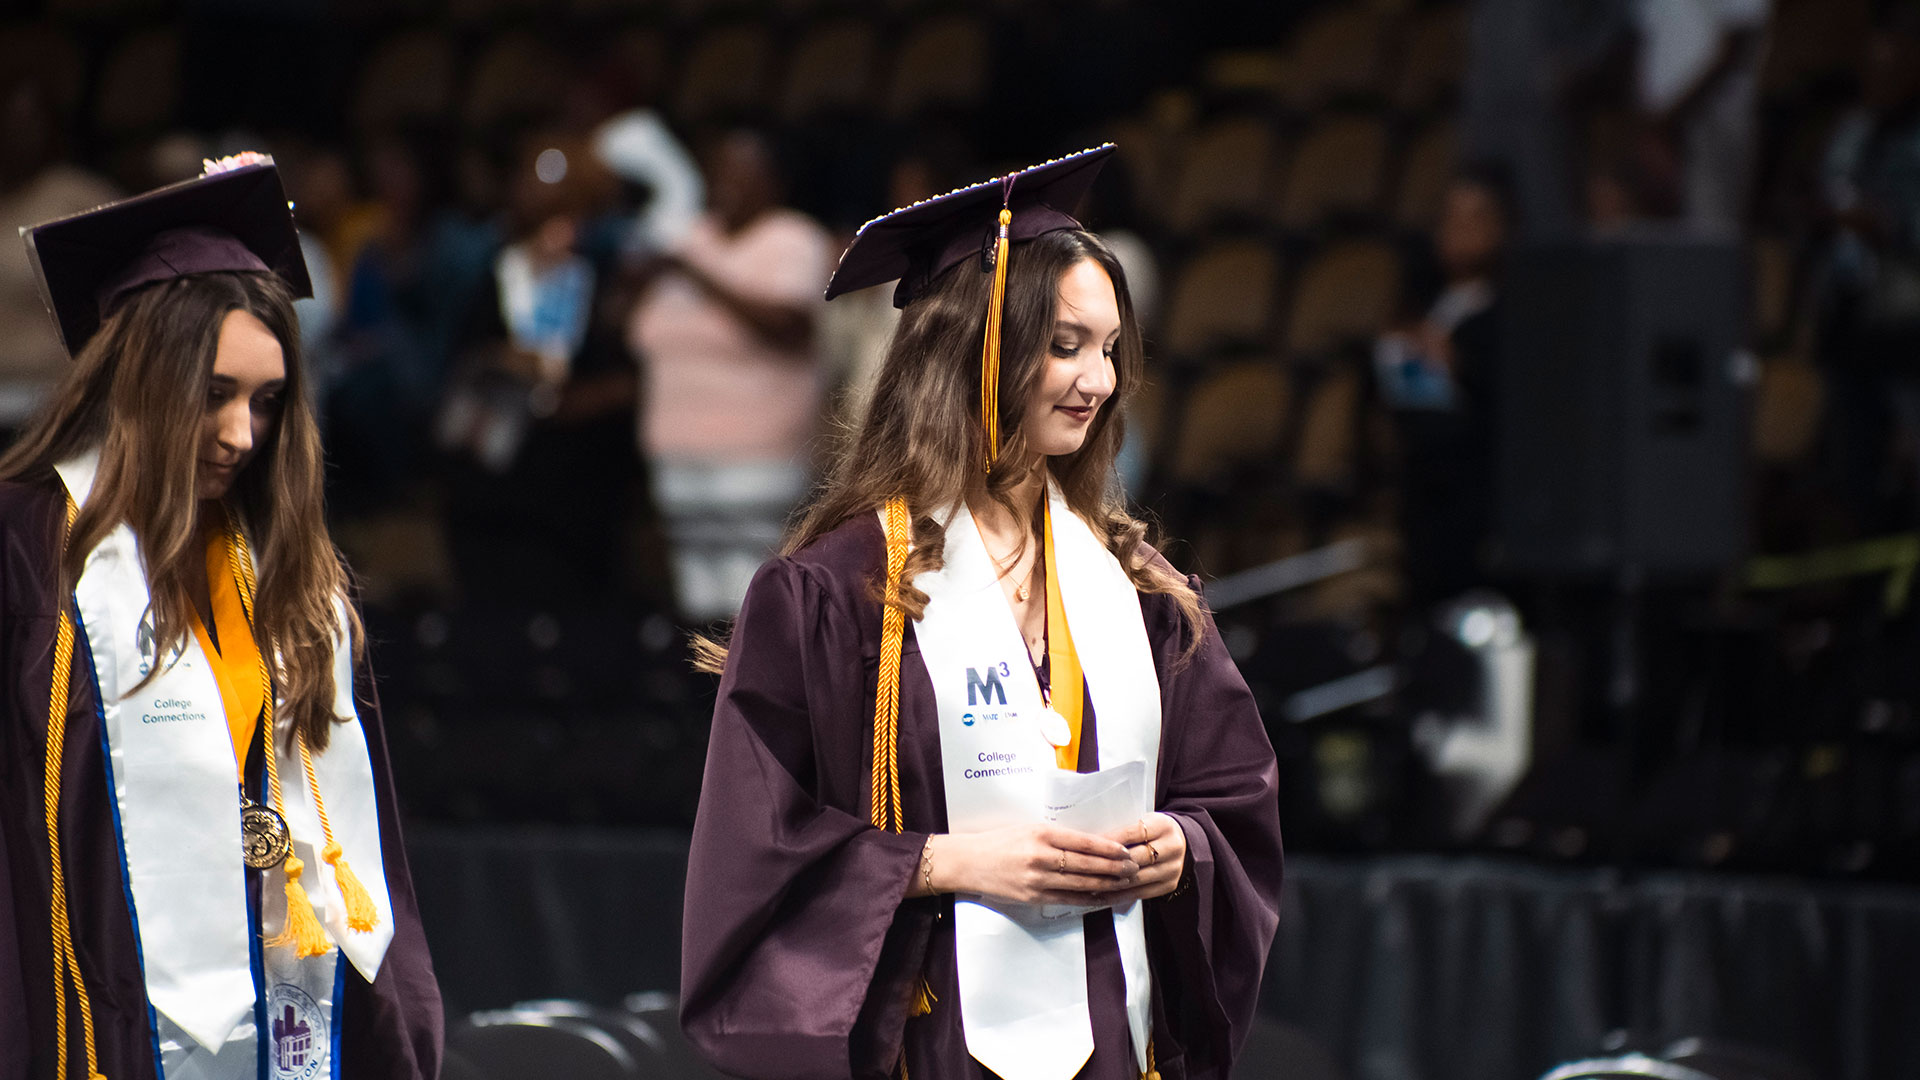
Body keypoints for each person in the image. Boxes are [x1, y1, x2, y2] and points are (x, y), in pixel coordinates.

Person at [679, 146, 1283, 1080]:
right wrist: (946, 864)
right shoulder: (839, 595)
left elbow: (1231, 797)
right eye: (1067, 345)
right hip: (926, 1039)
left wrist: (1181, 848)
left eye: (1112, 350)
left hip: (1112, 1039)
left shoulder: (1140, 589)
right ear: (975, 349)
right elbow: (751, 852)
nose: (1101, 382)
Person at [0, 155, 440, 1079]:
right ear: (140, 376)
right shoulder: (26, 550)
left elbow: (365, 846)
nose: (244, 435)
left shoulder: (291, 572)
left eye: (268, 403)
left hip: (292, 1008)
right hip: (95, 1016)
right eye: (213, 395)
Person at [625, 126, 834, 621]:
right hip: (677, 458)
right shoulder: (689, 234)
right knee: (696, 602)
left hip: (757, 463)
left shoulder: (793, 237)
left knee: (751, 600)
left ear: (775, 180)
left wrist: (693, 271)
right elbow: (638, 331)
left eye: (743, 170)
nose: (727, 181)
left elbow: (789, 326)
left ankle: (750, 698)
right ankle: (704, 700)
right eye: (719, 169)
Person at [1375, 167, 1513, 605]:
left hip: (1474, 501)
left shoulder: (1506, 315)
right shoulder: (1421, 307)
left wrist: (1459, 365)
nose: (1460, 230)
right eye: (1451, 217)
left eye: (1477, 218)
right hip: (1420, 491)